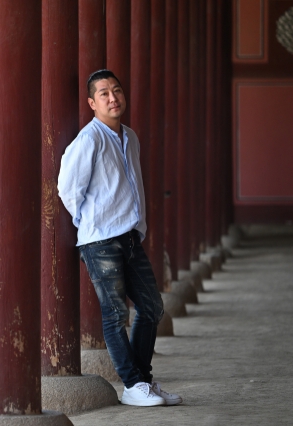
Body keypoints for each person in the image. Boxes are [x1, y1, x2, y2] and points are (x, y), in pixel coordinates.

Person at [57, 69, 182, 407]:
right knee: (115, 315)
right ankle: (132, 384)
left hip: (128, 235)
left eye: (117, 90)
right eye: (104, 94)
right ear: (92, 103)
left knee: (152, 307)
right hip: (100, 239)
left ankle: (141, 380)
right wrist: (89, 222)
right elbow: (68, 189)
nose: (113, 98)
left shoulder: (131, 137)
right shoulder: (89, 139)